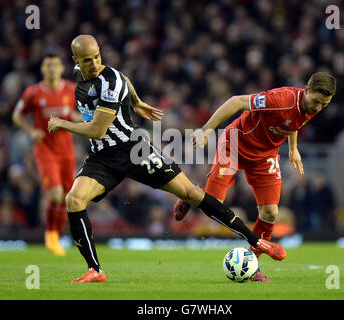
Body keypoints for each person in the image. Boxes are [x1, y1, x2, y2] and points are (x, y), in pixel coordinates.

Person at [47, 34, 286, 283]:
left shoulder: (110, 81)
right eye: (87, 60)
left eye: (97, 57)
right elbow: (126, 83)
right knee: (74, 200)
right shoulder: (79, 73)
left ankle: (256, 240)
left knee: (192, 194)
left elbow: (98, 128)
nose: (95, 64)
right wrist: (137, 102)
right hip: (102, 157)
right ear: (76, 61)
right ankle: (95, 270)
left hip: (132, 150)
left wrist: (62, 123)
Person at [173, 72, 336, 281]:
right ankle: (193, 193)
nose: (317, 108)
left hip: (265, 155)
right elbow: (236, 101)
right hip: (235, 144)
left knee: (270, 213)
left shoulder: (311, 106)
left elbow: (293, 122)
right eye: (316, 101)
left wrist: (293, 148)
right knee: (214, 206)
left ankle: (253, 265)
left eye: (324, 104)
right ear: (306, 89)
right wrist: (206, 131)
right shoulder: (279, 100)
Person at [13, 51, 81, 256]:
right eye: (48, 65)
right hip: (45, 149)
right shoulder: (34, 93)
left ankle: (59, 233)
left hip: (66, 150)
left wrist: (75, 117)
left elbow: (81, 115)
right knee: (56, 194)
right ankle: (52, 235)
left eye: (55, 65)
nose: (51, 69)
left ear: (61, 68)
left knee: (68, 197)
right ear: (43, 69)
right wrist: (31, 131)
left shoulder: (72, 90)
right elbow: (17, 115)